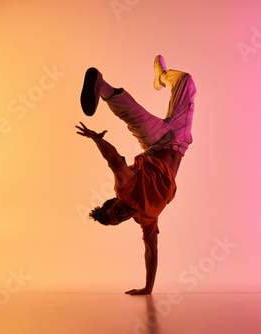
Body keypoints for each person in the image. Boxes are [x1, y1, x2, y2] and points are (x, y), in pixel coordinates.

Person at [76, 55, 196, 295]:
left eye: (116, 211)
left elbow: (114, 159)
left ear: (114, 202)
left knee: (133, 115)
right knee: (186, 81)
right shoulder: (146, 218)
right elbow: (151, 251)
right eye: (120, 219)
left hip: (156, 141)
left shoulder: (124, 188)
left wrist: (98, 140)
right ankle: (162, 76)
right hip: (179, 141)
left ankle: (102, 86)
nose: (122, 214)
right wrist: (147, 288)